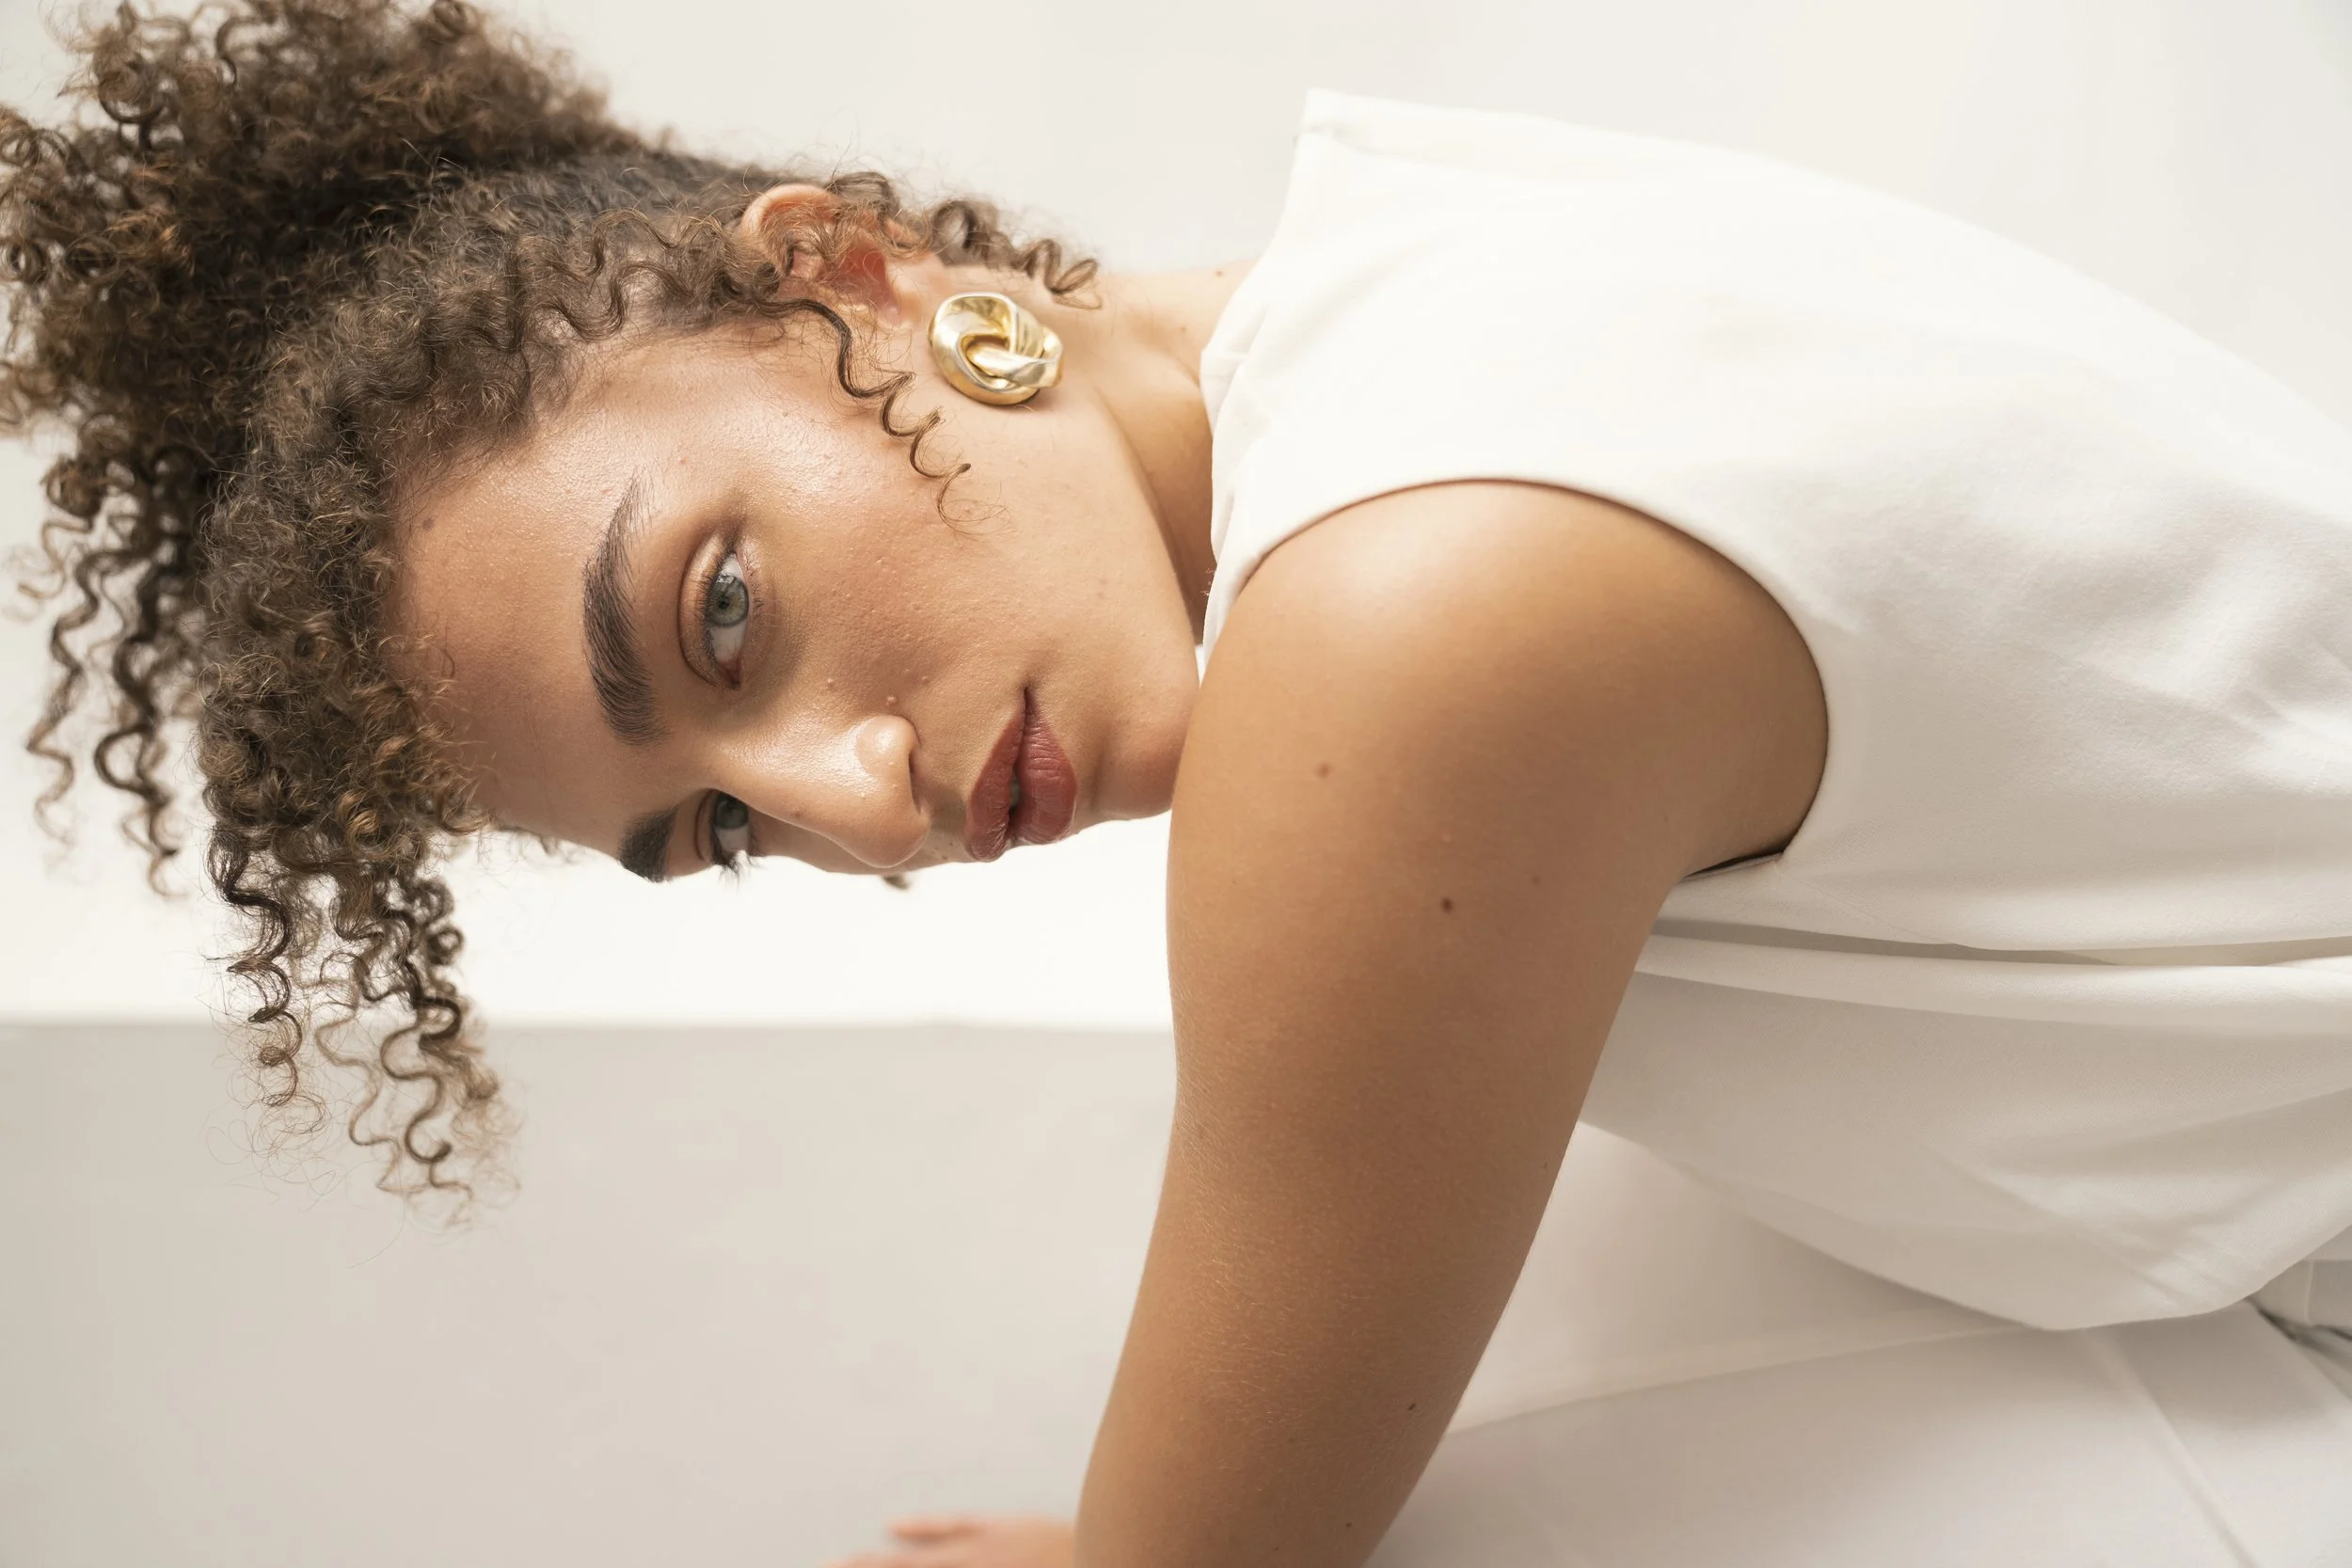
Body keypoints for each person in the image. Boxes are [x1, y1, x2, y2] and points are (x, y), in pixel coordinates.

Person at [7, 2, 2351, 1564]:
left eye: (721, 612)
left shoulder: (1412, 620)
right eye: (711, 827)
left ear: (853, 274)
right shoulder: (1424, 261)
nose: (850, 802)